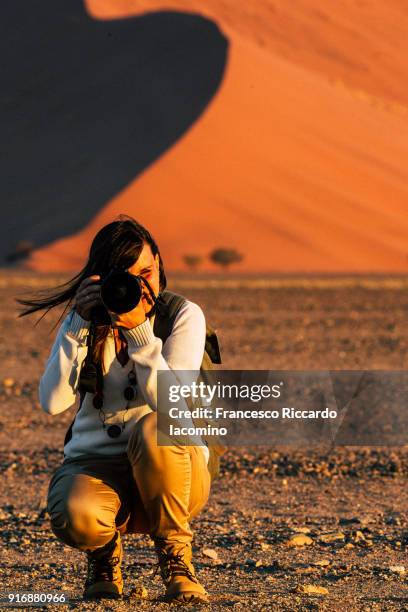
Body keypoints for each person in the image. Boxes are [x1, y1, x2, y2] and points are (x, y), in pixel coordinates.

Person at [17, 215, 216, 604]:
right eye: (125, 277)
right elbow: (52, 402)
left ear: (160, 264)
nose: (139, 286)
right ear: (102, 278)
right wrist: (77, 323)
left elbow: (172, 405)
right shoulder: (85, 320)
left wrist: (140, 332)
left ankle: (177, 561)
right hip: (98, 469)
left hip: (176, 473)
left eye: (147, 272)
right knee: (75, 514)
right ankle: (104, 557)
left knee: (153, 428)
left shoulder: (181, 315)